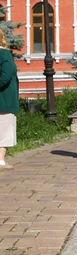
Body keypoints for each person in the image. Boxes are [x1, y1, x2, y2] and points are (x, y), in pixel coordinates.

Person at [0, 30, 19, 168]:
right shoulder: (4, 54)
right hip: (5, 99)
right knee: (5, 130)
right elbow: (5, 76)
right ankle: (0, 160)